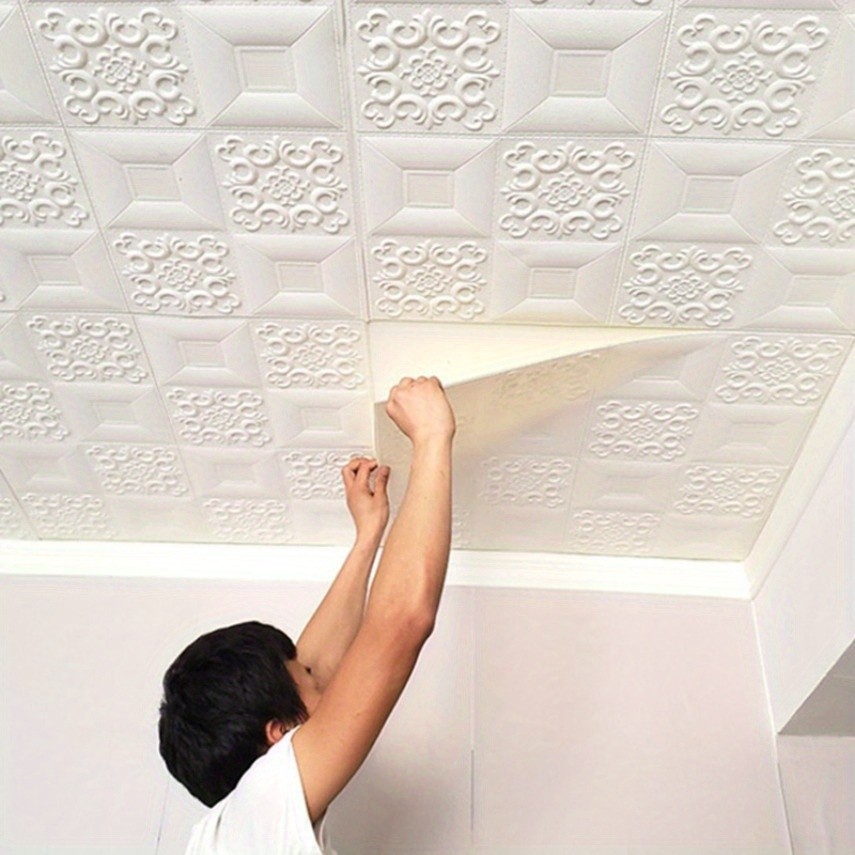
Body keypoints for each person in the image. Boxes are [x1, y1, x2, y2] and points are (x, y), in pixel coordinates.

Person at [158, 375, 456, 854]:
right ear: (277, 733)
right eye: (314, 683)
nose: (329, 682)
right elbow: (400, 624)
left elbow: (324, 660)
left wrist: (368, 538)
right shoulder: (256, 813)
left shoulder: (243, 828)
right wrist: (432, 437)